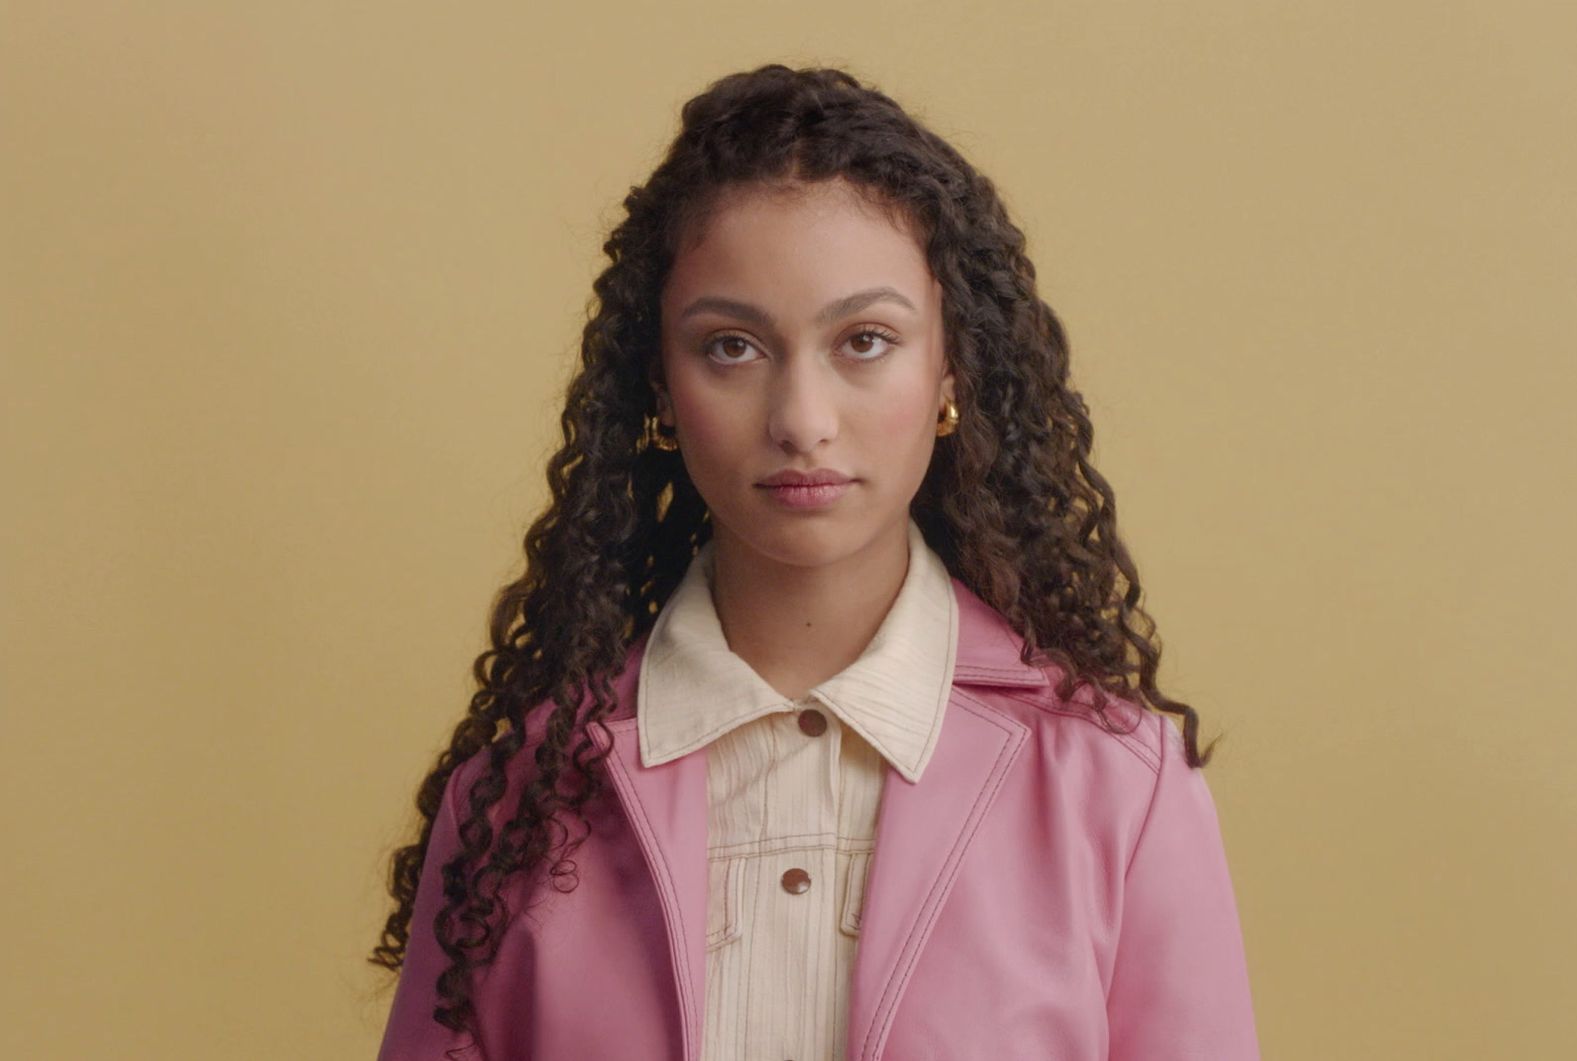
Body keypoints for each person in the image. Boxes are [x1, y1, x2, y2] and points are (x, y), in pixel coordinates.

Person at [370, 63, 1260, 1060]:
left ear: (948, 370)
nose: (801, 420)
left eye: (865, 340)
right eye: (733, 348)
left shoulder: (1117, 786)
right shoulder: (520, 800)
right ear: (660, 384)